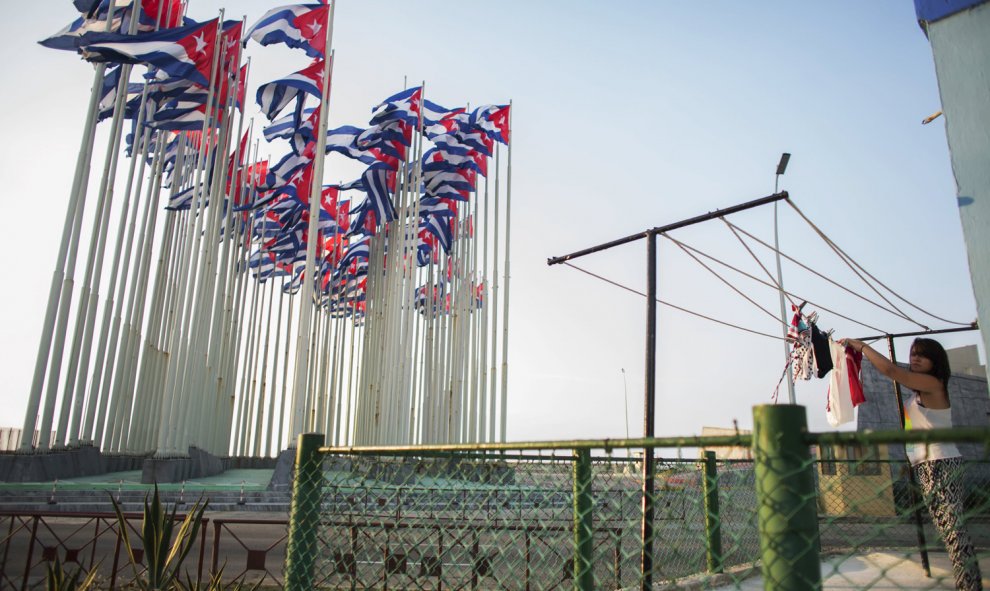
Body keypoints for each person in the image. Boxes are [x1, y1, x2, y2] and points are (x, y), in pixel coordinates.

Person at [841, 336, 982, 591]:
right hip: (926, 463)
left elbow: (892, 371)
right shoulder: (918, 392)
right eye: (913, 353)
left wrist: (862, 347)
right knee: (948, 531)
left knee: (954, 531)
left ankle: (970, 586)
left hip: (942, 462)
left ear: (935, 360)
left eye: (922, 355)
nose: (915, 358)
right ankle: (968, 583)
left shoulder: (934, 384)